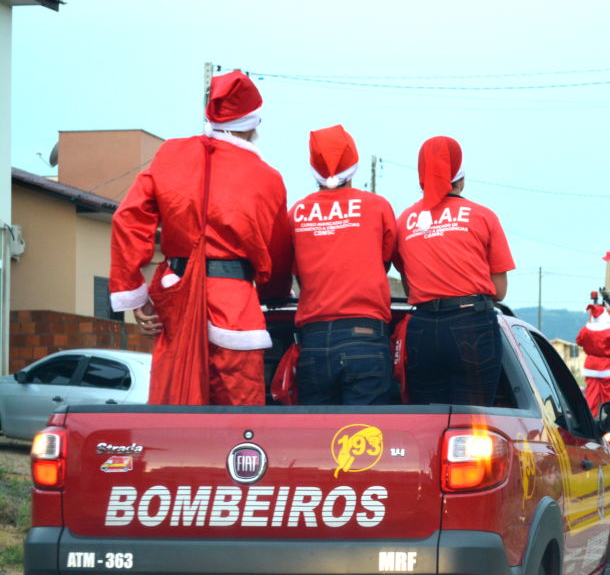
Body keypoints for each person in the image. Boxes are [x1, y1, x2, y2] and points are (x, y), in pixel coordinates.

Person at [109, 70, 291, 405]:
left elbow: (128, 218)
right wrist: (274, 294)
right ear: (252, 124)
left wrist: (133, 296)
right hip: (235, 307)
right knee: (240, 420)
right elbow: (277, 251)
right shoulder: (268, 178)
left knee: (175, 409)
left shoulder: (171, 154)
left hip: (175, 296)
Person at [393, 135, 515, 406]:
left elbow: (409, 285)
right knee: (473, 422)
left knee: (429, 422)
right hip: (471, 324)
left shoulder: (404, 221)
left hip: (422, 329)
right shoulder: (483, 216)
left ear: (421, 178)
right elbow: (500, 291)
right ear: (461, 180)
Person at [289, 125, 397, 405]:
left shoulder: (297, 213)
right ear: (354, 163)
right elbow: (383, 261)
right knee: (365, 441)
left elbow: (293, 270)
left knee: (314, 442)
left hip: (313, 341)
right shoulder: (377, 206)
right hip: (366, 336)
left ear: (313, 166)